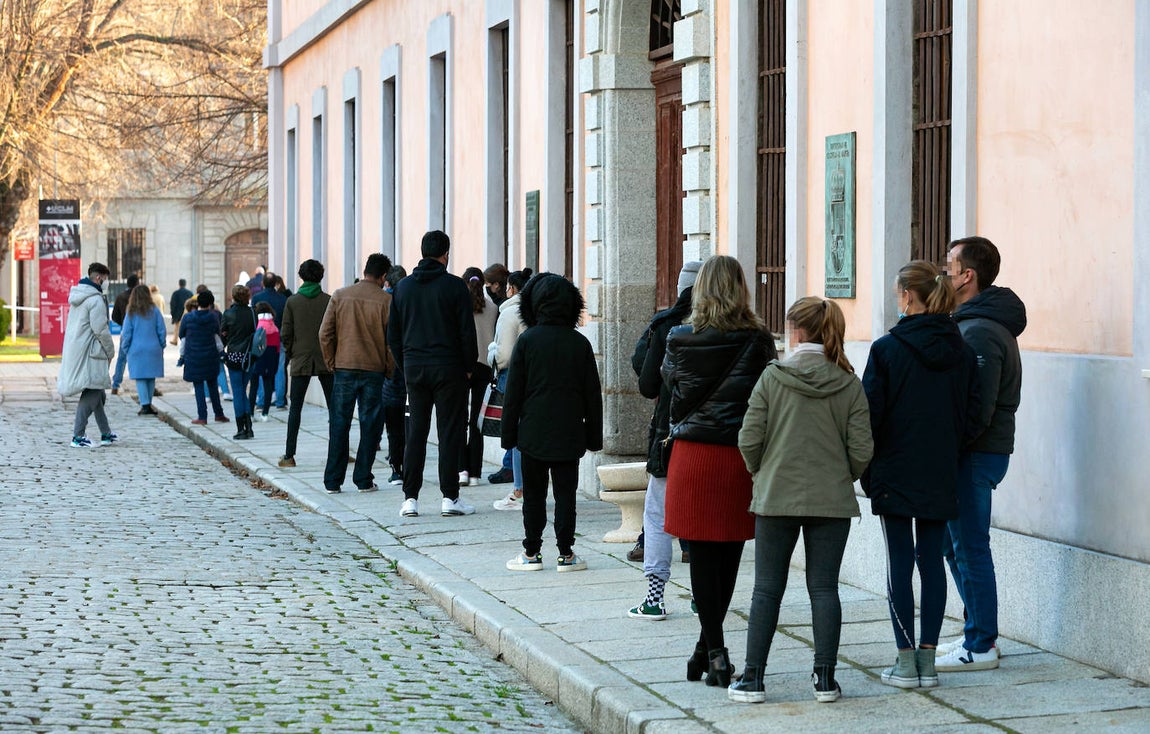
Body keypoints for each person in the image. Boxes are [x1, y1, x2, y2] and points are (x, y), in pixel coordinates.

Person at [728, 297, 873, 704]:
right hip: (831, 498)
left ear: (797, 332)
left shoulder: (773, 378)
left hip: (776, 495)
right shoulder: (848, 382)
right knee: (825, 588)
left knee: (766, 589)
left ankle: (753, 678)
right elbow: (862, 449)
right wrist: (841, 476)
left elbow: (749, 438)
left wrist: (762, 471)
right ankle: (825, 679)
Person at [862, 260, 980, 690]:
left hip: (894, 469)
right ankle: (928, 663)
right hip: (941, 467)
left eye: (898, 294)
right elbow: (972, 414)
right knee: (931, 563)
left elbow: (869, 416)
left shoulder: (886, 349)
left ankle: (904, 661)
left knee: (899, 564)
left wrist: (867, 467)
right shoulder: (962, 351)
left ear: (908, 297)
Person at [661, 255, 776, 688]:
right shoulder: (759, 340)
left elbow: (668, 387)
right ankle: (709, 648)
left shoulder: (679, 337)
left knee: (701, 558)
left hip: (693, 456)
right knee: (727, 557)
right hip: (737, 458)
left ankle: (713, 652)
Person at [936, 237, 1026, 672]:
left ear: (966, 276)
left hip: (976, 453)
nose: (943, 274)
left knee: (970, 547)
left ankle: (982, 643)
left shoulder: (980, 330)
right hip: (973, 452)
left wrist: (951, 444)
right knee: (957, 547)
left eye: (948, 266)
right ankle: (977, 630)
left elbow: (979, 408)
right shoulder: (974, 323)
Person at [502, 273, 602, 572]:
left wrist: (508, 435)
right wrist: (593, 437)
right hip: (569, 431)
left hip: (532, 431)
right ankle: (566, 553)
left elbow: (513, 394)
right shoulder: (579, 343)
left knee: (533, 496)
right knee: (565, 496)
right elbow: (592, 395)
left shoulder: (527, 341)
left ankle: (531, 553)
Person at [627, 261, 701, 619]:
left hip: (670, 432)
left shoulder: (665, 325)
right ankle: (701, 595)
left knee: (657, 515)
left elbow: (646, 383)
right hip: (716, 436)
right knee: (703, 517)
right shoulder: (730, 327)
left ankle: (654, 598)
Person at [388, 230, 477, 518]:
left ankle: (410, 498)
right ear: (446, 255)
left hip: (415, 368)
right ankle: (450, 497)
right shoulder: (454, 287)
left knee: (415, 432)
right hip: (449, 368)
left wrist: (405, 365)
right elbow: (467, 333)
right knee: (449, 432)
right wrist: (468, 367)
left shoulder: (403, 288)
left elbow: (393, 335)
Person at [319, 253, 394, 494]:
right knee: (370, 424)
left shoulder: (340, 295)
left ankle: (332, 480)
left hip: (344, 367)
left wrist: (332, 361)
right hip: (373, 369)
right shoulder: (386, 301)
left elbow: (324, 334)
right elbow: (391, 342)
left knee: (339, 423)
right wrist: (389, 368)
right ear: (383, 276)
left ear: (365, 271)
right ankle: (363, 478)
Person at [279, 259, 334, 468]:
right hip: (325, 358)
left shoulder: (292, 302)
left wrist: (292, 353)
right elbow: (333, 331)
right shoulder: (328, 300)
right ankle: (339, 451)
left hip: (300, 358)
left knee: (296, 408)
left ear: (301, 276)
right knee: (335, 408)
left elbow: (286, 332)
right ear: (321, 276)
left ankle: (289, 455)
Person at [58, 263, 117, 447]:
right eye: (106, 279)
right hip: (92, 351)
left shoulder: (79, 295)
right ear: (99, 278)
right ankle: (78, 436)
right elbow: (100, 328)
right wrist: (110, 349)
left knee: (97, 392)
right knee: (92, 390)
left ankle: (105, 433)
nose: (106, 283)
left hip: (80, 348)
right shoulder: (95, 300)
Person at [488, 268, 532, 509]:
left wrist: (491, 354)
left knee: (516, 436)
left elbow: (503, 355)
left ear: (512, 289)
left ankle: (519, 489)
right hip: (536, 378)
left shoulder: (509, 312)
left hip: (513, 378)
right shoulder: (534, 309)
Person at [459, 267, 499, 487]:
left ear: (465, 283)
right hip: (485, 366)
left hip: (463, 366)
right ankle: (475, 472)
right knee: (477, 421)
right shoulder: (492, 308)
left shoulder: (459, 306)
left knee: (459, 419)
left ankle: (462, 470)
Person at [180, 291, 230, 425]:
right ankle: (218, 414)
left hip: (193, 355)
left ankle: (202, 416)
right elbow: (217, 337)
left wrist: (182, 355)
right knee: (213, 385)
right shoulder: (213, 317)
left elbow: (183, 338)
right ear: (210, 303)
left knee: (198, 386)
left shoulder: (188, 318)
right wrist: (221, 352)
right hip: (210, 355)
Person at [119, 284, 167, 416]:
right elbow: (161, 330)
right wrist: (161, 345)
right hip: (153, 348)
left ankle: (145, 404)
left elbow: (126, 332)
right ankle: (149, 404)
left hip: (136, 349)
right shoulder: (155, 310)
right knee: (151, 377)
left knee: (140, 378)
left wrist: (125, 348)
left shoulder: (131, 312)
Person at [381, 265, 408, 484]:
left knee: (393, 426)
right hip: (410, 369)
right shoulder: (411, 300)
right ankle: (405, 464)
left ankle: (396, 468)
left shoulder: (385, 302)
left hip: (390, 371)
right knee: (410, 423)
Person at [221, 284, 258, 440]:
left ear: (234, 297)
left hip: (235, 355)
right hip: (250, 355)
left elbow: (222, 334)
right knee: (243, 389)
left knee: (238, 392)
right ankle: (249, 426)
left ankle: (241, 428)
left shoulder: (229, 314)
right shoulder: (252, 312)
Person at [252, 271, 289, 410]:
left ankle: (261, 401)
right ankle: (280, 401)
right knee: (280, 368)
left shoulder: (257, 298)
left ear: (263, 283)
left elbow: (254, 319)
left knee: (261, 367)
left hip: (261, 337)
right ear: (275, 283)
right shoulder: (283, 299)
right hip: (277, 336)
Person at [247, 302, 281, 422]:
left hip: (257, 357)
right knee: (268, 386)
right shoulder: (275, 328)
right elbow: (278, 348)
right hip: (271, 357)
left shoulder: (257, 326)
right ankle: (265, 413)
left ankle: (251, 413)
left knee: (254, 386)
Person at [110, 273, 140, 395]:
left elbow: (114, 316)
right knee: (140, 359)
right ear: (137, 284)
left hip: (125, 331)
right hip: (139, 332)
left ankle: (115, 385)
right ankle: (143, 386)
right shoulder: (140, 297)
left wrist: (123, 323)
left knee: (122, 359)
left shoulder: (121, 296)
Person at [169, 278, 193, 345]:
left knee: (177, 328)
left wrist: (172, 313)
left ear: (179, 284)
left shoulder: (176, 293)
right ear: (185, 284)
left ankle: (175, 340)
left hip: (178, 313)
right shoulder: (190, 293)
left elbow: (172, 304)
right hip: (188, 312)